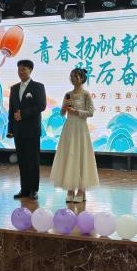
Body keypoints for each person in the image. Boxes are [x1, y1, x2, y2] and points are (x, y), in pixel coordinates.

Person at [50, 68, 99, 203]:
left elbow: (90, 112)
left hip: (81, 128)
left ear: (82, 78)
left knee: (80, 157)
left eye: (75, 77)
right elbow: (62, 113)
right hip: (69, 128)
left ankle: (81, 190)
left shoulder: (86, 95)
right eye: (71, 77)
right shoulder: (68, 94)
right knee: (69, 156)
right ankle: (70, 189)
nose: (73, 79)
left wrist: (76, 111)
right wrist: (65, 107)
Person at [7, 59, 46, 200]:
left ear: (30, 70)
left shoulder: (38, 87)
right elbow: (11, 110)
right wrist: (10, 129)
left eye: (23, 69)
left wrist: (23, 114)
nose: (20, 72)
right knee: (22, 160)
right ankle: (24, 189)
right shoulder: (14, 88)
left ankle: (34, 189)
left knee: (33, 160)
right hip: (18, 130)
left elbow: (41, 106)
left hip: (32, 129)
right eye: (19, 69)